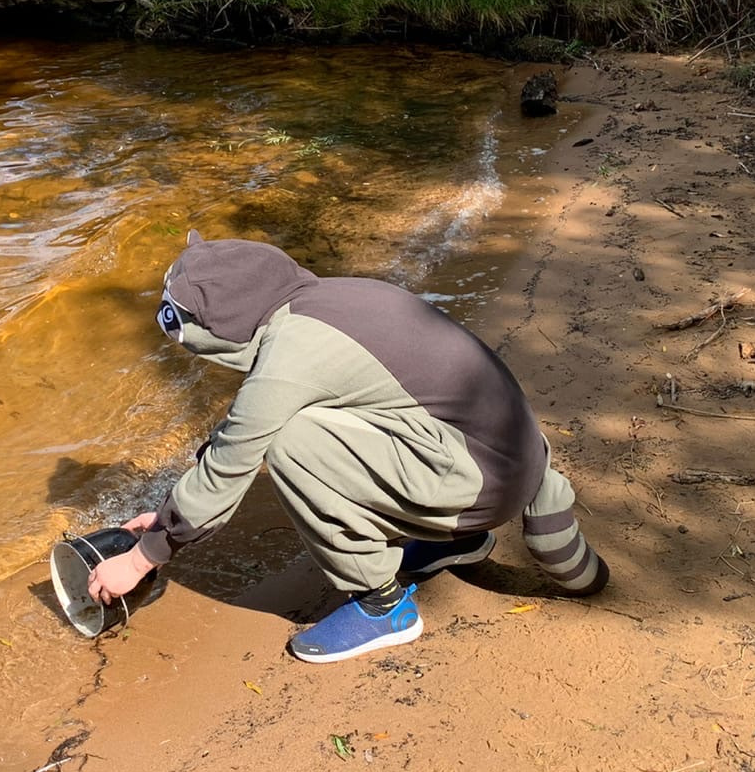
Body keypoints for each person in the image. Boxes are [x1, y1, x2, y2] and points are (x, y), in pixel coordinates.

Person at [87, 233, 608, 663]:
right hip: (510, 457)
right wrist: (165, 517)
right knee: (304, 422)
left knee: (293, 442)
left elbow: (233, 460)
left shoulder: (290, 357)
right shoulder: (331, 300)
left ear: (215, 331)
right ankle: (457, 541)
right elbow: (239, 433)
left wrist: (140, 560)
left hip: (482, 482)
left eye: (178, 326)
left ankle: (384, 607)